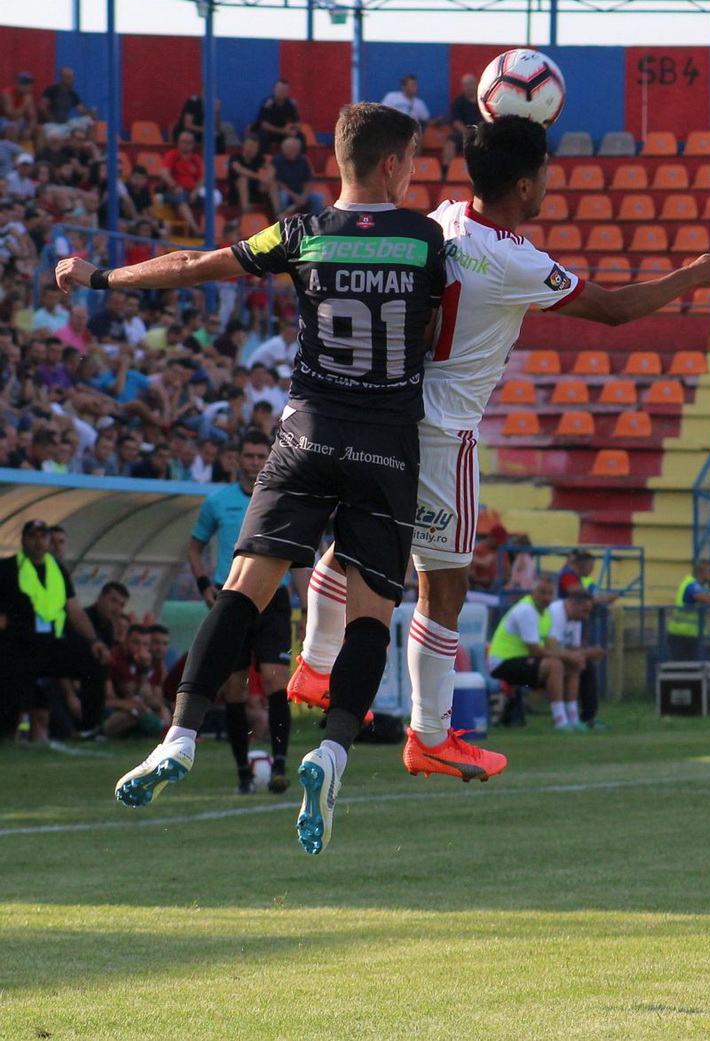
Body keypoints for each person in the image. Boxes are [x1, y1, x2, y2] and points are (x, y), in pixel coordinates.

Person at [289, 114, 710, 778]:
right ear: (526, 186)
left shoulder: (438, 219)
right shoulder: (515, 259)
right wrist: (692, 276)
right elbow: (612, 309)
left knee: (357, 540)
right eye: (547, 174)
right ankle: (430, 735)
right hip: (444, 430)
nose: (549, 183)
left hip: (387, 407)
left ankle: (312, 668)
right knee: (446, 587)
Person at [55, 100, 446, 855]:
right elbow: (441, 329)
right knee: (370, 614)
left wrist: (100, 275)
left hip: (306, 436)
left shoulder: (301, 232)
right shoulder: (426, 239)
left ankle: (179, 733)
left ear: (339, 160)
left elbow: (194, 264)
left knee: (242, 589)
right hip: (386, 446)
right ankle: (331, 752)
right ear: (396, 165)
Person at [188, 428, 304, 794]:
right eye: (249, 456)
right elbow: (195, 547)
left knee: (275, 680)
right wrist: (204, 584)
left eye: (260, 456)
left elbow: (300, 559)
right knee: (235, 689)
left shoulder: (281, 499)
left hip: (275, 599)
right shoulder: (218, 502)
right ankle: (243, 774)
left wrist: (308, 608)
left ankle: (281, 766)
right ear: (236, 459)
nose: (254, 462)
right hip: (232, 596)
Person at [0, 519, 110, 740]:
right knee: (12, 693)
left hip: (50, 644)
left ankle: (89, 728)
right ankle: (6, 734)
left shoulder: (57, 569)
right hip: (18, 646)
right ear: (23, 540)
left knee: (94, 660)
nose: (38, 542)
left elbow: (74, 609)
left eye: (43, 536)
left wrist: (94, 641)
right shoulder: (8, 567)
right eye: (33, 536)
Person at [488, 574, 586, 731]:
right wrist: (568, 655)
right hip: (503, 662)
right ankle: (560, 720)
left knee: (572, 665)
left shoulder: (547, 614)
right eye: (542, 592)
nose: (547, 597)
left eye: (550, 593)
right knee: (555, 665)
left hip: (523, 661)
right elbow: (535, 650)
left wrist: (571, 658)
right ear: (533, 592)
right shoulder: (526, 610)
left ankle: (573, 717)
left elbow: (550, 646)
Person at [557, 548, 618, 729]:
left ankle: (581, 717)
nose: (591, 570)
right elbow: (577, 593)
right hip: (562, 635)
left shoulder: (578, 582)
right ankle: (574, 718)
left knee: (583, 665)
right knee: (581, 665)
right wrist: (604, 599)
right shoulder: (568, 576)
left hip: (570, 632)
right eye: (590, 566)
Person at [158, 130, 205, 237]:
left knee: (210, 200)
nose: (186, 144)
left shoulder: (196, 159)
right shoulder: (173, 155)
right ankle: (195, 230)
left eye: (189, 142)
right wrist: (175, 186)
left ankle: (211, 230)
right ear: (178, 142)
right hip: (173, 191)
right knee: (180, 198)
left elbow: (201, 178)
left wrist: (195, 192)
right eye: (184, 141)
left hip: (191, 191)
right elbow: (164, 172)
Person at [272, 136, 324, 218]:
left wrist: (304, 196)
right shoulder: (277, 160)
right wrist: (295, 196)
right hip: (286, 192)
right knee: (283, 196)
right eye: (289, 148)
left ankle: (316, 224)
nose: (291, 151)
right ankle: (281, 220)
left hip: (301, 193)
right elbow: (279, 183)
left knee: (318, 198)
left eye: (294, 148)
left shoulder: (303, 160)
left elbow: (309, 181)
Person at [228, 135, 279, 217]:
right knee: (243, 179)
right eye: (250, 146)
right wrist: (259, 177)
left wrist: (267, 178)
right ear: (244, 146)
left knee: (272, 183)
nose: (252, 150)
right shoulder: (235, 157)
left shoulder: (259, 158)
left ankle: (278, 213)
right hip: (236, 193)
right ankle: (246, 211)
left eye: (255, 147)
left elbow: (271, 168)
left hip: (255, 190)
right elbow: (239, 169)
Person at [250, 79, 304, 155]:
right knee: (262, 136)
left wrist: (294, 130)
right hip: (268, 131)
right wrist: (282, 131)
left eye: (285, 89)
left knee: (300, 136)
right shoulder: (268, 103)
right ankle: (264, 159)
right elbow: (264, 125)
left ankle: (299, 160)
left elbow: (297, 121)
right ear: (274, 89)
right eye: (281, 89)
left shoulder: (291, 103)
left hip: (282, 132)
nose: (283, 91)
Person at [39, 67, 94, 140]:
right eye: (69, 77)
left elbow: (81, 111)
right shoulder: (52, 90)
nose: (72, 79)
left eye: (72, 77)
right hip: (53, 124)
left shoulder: (72, 94)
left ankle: (91, 145)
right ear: (62, 78)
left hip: (66, 123)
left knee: (89, 121)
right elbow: (42, 107)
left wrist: (91, 113)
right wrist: (52, 119)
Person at [442, 73, 482, 170]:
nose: (469, 87)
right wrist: (467, 133)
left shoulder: (484, 100)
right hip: (464, 134)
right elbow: (456, 121)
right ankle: (446, 172)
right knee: (451, 142)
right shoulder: (458, 102)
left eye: (471, 83)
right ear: (462, 87)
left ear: (476, 84)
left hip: (483, 133)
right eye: (466, 84)